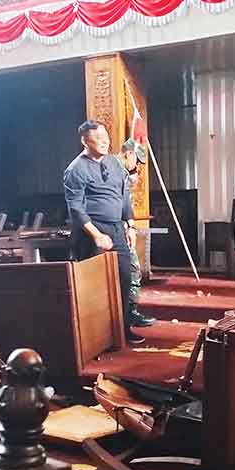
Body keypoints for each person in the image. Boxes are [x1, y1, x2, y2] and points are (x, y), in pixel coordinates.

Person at [63, 120, 145, 344]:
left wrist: (130, 225)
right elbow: (76, 208)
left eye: (106, 138)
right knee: (93, 286)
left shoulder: (114, 163)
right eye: (98, 139)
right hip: (90, 232)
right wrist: (96, 235)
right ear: (85, 141)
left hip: (117, 229)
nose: (104, 142)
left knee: (124, 278)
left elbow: (124, 194)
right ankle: (94, 338)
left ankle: (123, 329)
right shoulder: (76, 169)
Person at [115, 138, 157, 328]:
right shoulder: (117, 171)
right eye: (137, 161)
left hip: (119, 227)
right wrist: (127, 226)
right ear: (129, 154)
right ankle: (129, 313)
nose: (137, 167)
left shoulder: (120, 171)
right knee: (132, 270)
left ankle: (126, 313)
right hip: (117, 230)